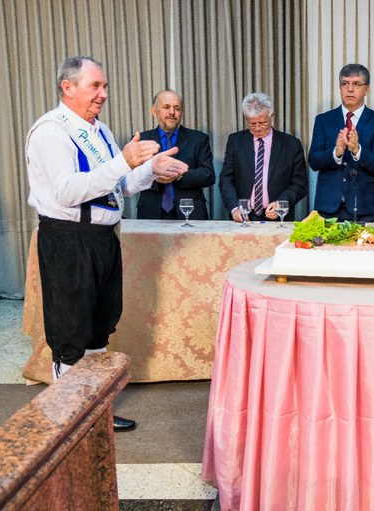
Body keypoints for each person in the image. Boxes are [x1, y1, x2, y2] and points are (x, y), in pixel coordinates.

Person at [25, 56, 188, 432]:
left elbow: (120, 185)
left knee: (100, 326)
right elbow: (67, 191)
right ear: (68, 87)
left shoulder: (100, 131)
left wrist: (149, 170)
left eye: (105, 86)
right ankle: (70, 418)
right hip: (68, 240)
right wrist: (123, 162)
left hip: (103, 239)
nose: (103, 94)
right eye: (95, 86)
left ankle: (94, 411)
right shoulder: (51, 131)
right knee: (71, 332)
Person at [309, 64, 374, 222]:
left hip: (363, 207)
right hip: (328, 207)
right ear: (339, 87)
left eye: (356, 84)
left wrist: (357, 150)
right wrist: (336, 153)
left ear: (366, 89)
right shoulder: (323, 120)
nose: (350, 89)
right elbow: (313, 161)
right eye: (345, 83)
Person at [219, 92, 307, 222]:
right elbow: (226, 178)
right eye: (252, 124)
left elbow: (300, 182)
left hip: (278, 217)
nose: (258, 128)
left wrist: (282, 203)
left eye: (262, 123)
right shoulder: (236, 141)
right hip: (244, 216)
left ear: (271, 116)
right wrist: (234, 208)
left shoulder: (291, 144)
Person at [136, 90, 215, 220]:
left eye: (177, 108)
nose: (172, 112)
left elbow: (208, 175)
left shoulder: (199, 139)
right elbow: (132, 176)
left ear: (181, 112)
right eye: (166, 107)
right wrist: (155, 175)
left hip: (190, 212)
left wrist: (179, 175)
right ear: (154, 111)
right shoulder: (142, 139)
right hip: (151, 211)